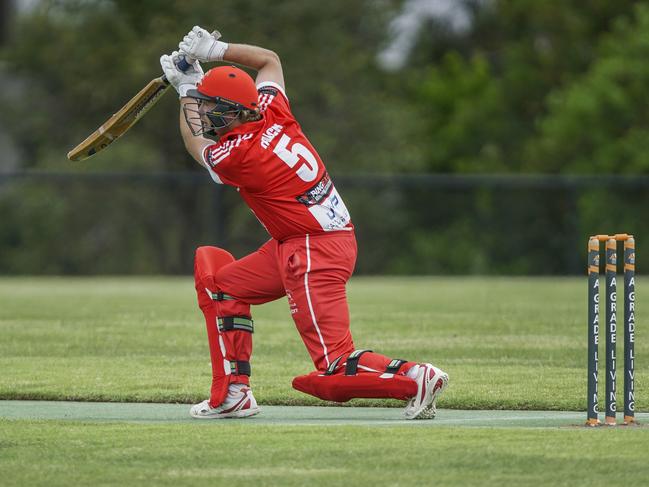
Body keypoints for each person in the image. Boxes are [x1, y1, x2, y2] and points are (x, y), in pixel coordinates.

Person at [159, 26, 448, 420]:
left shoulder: (241, 153)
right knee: (222, 287)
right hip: (304, 241)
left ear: (229, 111)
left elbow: (198, 145)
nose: (202, 112)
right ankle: (234, 394)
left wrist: (185, 89)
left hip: (313, 249)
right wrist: (216, 50)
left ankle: (417, 377)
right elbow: (269, 60)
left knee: (334, 365)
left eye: (209, 106)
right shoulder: (271, 109)